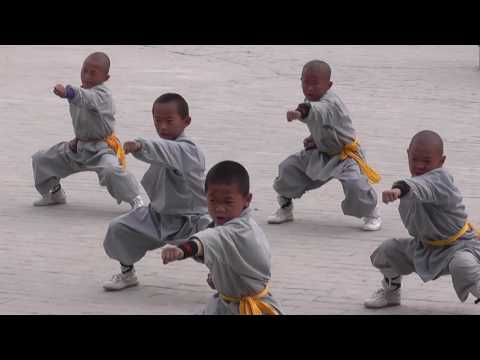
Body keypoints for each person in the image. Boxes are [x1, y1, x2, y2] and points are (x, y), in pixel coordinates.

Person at [103, 93, 211, 291]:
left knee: (218, 242)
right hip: (157, 216)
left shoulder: (189, 151)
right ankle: (127, 273)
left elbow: (166, 150)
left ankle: (222, 279)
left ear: (186, 121)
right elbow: (162, 150)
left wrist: (140, 145)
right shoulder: (163, 147)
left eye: (169, 121)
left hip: (191, 220)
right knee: (118, 228)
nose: (162, 127)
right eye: (157, 121)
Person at [364, 130, 480, 308]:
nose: (419, 165)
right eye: (414, 159)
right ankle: (391, 292)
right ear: (407, 154)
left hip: (459, 246)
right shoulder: (413, 184)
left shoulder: (442, 179)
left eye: (426, 161)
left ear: (441, 161)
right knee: (386, 251)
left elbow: (422, 186)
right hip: (425, 247)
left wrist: (399, 189)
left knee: (463, 265)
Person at [268, 60, 381, 231]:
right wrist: (314, 137)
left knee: (354, 183)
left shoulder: (330, 102)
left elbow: (319, 111)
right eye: (305, 82)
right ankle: (285, 208)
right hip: (321, 151)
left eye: (315, 84)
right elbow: (325, 125)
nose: (310, 88)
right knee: (288, 167)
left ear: (328, 85)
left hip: (345, 155)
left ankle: (372, 213)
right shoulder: (311, 98)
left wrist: (299, 113)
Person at [161, 160, 282, 315]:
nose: (219, 208)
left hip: (252, 309)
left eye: (228, 201)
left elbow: (211, 239)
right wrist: (221, 277)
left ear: (247, 199)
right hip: (224, 303)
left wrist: (181, 251)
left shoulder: (241, 230)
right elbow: (218, 248)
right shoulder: (222, 225)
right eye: (212, 200)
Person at [32, 52, 144, 209]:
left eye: (93, 73)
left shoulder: (102, 95)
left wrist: (68, 92)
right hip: (79, 146)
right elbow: (84, 115)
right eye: (84, 70)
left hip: (102, 149)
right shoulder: (80, 92)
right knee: (42, 158)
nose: (87, 76)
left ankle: (135, 200)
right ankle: (55, 193)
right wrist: (78, 139)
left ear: (106, 78)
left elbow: (87, 98)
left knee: (112, 170)